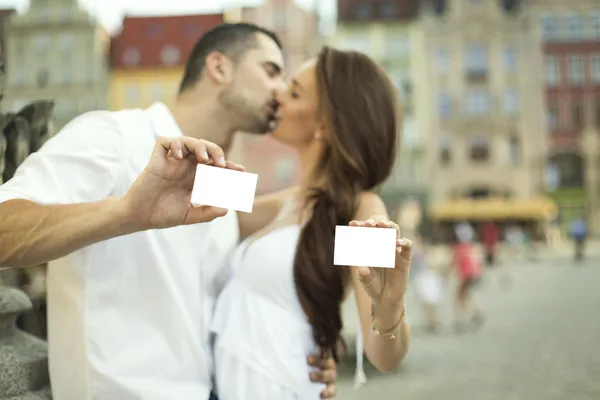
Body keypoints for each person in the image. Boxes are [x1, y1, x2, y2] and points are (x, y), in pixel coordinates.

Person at [0, 23, 336, 400]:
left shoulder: (224, 181)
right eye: (271, 71)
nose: (281, 91)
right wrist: (127, 213)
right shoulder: (114, 136)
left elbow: (292, 217)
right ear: (219, 68)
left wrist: (302, 354)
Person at [210, 47, 412, 399]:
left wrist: (389, 303)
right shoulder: (285, 199)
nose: (278, 94)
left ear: (325, 124)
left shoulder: (363, 208)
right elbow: (192, 189)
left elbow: (384, 357)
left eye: (294, 92)